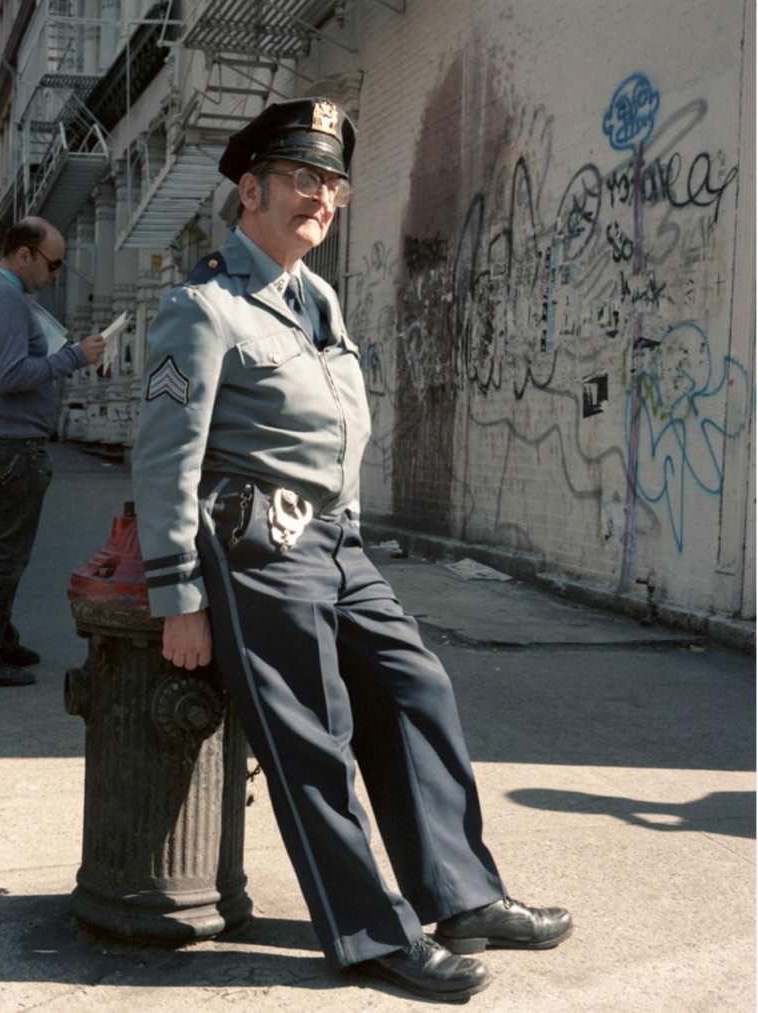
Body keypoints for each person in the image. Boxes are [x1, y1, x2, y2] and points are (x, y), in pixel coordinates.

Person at [132, 99, 572, 1003]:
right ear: (248, 190)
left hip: (333, 540)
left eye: (332, 184)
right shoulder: (204, 308)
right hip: (258, 545)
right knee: (313, 736)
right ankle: (370, 933)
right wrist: (177, 595)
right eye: (302, 178)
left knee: (415, 685)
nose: (322, 198)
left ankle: (460, 894)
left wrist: (354, 532)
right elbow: (165, 456)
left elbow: (340, 426)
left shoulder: (314, 297)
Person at [0, 216, 104, 687]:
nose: (55, 275)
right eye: (52, 265)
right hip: (8, 444)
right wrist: (74, 357)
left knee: (5, 552)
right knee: (4, 556)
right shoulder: (2, 297)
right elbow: (11, 375)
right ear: (23, 254)